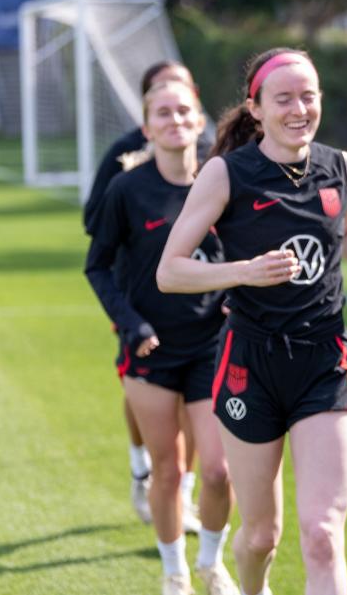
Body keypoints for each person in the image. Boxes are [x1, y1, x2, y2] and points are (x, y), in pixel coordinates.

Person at [156, 48, 347, 595]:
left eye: (309, 96)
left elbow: (345, 235)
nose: (299, 108)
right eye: (283, 98)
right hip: (250, 365)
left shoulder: (345, 167)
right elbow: (169, 271)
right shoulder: (225, 174)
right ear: (256, 109)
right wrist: (246, 271)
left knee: (323, 534)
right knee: (261, 535)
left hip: (324, 362)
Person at [85, 80, 237, 595]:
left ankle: (211, 563)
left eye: (184, 112)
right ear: (147, 128)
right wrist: (132, 325)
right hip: (149, 349)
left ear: (200, 122)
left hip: (213, 346)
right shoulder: (127, 190)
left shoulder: (223, 180)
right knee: (168, 470)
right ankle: (173, 574)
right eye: (163, 114)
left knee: (217, 472)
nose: (175, 121)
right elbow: (98, 266)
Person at [83, 60, 209, 533]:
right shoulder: (124, 162)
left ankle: (184, 492)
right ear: (145, 117)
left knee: (195, 410)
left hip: (202, 319)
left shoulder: (214, 163)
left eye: (182, 103)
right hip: (136, 288)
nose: (174, 117)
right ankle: (146, 469)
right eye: (160, 100)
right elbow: (97, 229)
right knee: (152, 396)